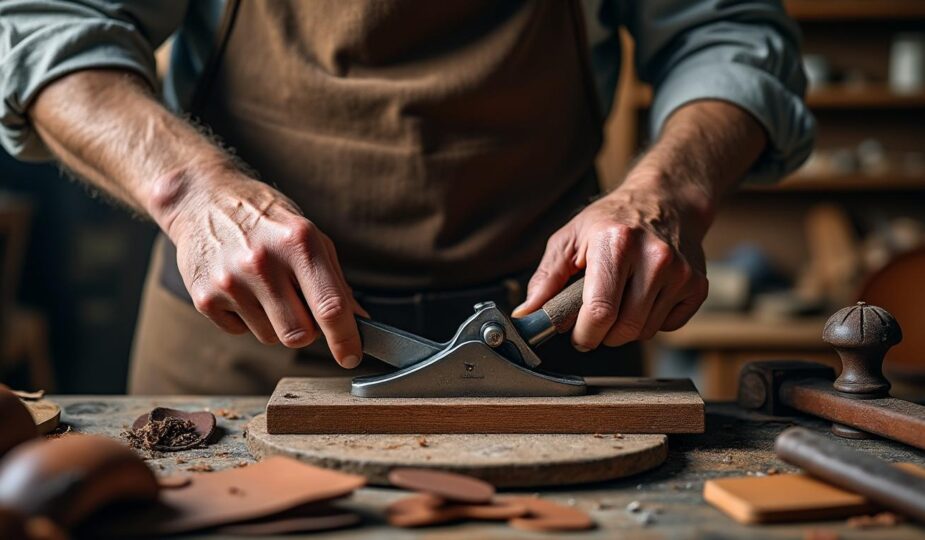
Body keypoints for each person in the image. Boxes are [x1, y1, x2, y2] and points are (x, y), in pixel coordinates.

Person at [0, 1, 814, 394]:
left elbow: (729, 33)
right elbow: (49, 31)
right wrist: (190, 193)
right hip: (236, 346)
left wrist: (664, 190)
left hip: (552, 342)